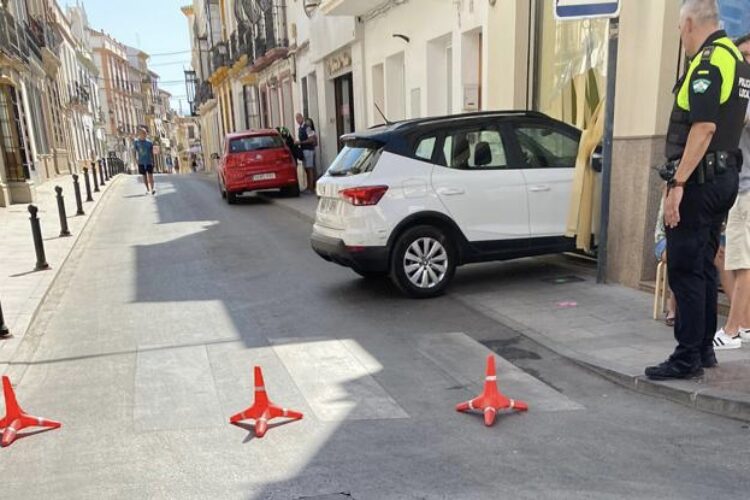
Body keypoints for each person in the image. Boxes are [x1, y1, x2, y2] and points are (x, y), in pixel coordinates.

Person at [645, 0, 750, 380]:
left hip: (701, 181)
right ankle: (703, 349)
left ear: (689, 24)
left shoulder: (708, 62)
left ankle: (686, 355)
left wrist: (677, 184)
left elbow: (702, 128)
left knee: (686, 268)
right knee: (704, 266)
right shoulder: (736, 61)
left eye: (680, 29)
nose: (680, 36)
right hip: (722, 180)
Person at [713, 32, 750, 350]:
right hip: (739, 188)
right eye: (741, 56)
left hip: (747, 190)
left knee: (743, 262)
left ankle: (732, 329)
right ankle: (746, 324)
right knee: (739, 261)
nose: (744, 62)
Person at [295, 113, 318, 193]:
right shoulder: (300, 128)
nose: (298, 120)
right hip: (304, 150)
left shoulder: (307, 127)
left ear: (302, 118)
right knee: (306, 169)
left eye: (299, 118)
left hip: (308, 150)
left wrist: (300, 142)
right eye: (296, 118)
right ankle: (308, 186)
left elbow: (311, 139)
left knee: (310, 169)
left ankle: (311, 187)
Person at [134, 127, 156, 195]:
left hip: (149, 161)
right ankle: (147, 189)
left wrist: (153, 161)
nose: (145, 134)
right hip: (141, 162)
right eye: (143, 133)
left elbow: (152, 153)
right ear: (139, 134)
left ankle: (152, 189)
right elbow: (134, 151)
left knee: (150, 176)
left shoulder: (149, 143)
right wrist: (135, 159)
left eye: (145, 133)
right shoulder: (136, 142)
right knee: (144, 176)